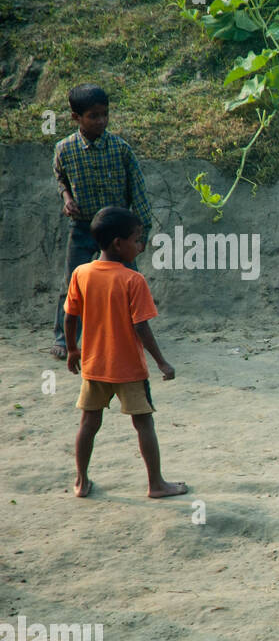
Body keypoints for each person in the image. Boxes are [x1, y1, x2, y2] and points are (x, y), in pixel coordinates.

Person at [64, 206, 184, 499]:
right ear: (119, 243)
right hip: (129, 368)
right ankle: (155, 484)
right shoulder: (133, 280)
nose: (141, 245)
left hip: (94, 366)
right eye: (137, 239)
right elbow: (141, 327)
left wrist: (71, 350)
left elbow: (69, 317)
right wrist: (162, 363)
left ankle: (81, 480)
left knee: (89, 423)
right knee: (144, 423)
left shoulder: (82, 273)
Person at [51, 84, 153, 361]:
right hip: (83, 227)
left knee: (130, 281)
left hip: (119, 232)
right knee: (73, 283)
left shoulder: (121, 150)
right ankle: (64, 338)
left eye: (105, 114)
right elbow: (60, 177)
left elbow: (139, 193)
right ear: (76, 118)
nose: (101, 121)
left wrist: (142, 235)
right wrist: (66, 198)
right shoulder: (65, 149)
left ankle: (136, 332)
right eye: (93, 116)